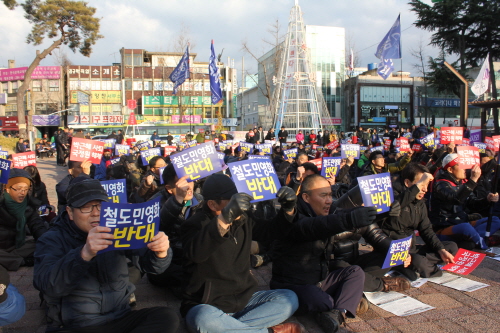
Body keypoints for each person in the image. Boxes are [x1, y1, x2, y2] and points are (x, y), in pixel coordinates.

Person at [33, 178, 179, 332]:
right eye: (86, 207)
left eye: (101, 206)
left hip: (120, 317)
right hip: (78, 324)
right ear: (70, 212)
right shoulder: (52, 239)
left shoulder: (118, 228)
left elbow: (151, 267)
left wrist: (161, 252)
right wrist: (84, 253)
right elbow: (49, 286)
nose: (96, 213)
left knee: (166, 316)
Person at [181, 174, 304, 333]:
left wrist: (288, 210)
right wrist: (225, 219)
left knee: (289, 299)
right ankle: (268, 331)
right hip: (207, 305)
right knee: (202, 320)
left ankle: (231, 328)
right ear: (212, 204)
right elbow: (196, 253)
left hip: (243, 299)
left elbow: (269, 232)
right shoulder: (194, 224)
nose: (240, 204)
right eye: (232, 200)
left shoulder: (243, 218)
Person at [270, 174, 380, 332]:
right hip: (291, 286)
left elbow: (341, 214)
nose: (329, 200)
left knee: (355, 272)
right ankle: (340, 307)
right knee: (323, 300)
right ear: (306, 197)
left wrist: (373, 211)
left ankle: (337, 314)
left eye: (330, 194)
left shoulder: (325, 211)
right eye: (323, 195)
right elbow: (315, 226)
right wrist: (350, 220)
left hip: (319, 279)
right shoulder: (291, 218)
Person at [379, 163, 457, 280]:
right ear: (407, 183)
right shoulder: (392, 198)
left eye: (426, 184)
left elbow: (426, 230)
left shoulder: (419, 203)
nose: (425, 189)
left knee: (451, 247)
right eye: (421, 184)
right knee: (419, 261)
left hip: (412, 249)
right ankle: (422, 266)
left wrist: (440, 250)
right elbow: (395, 206)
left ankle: (420, 263)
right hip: (393, 251)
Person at [147, 164, 203, 294]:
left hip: (192, 255)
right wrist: (177, 200)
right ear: (169, 188)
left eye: (190, 181)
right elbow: (159, 225)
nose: (189, 187)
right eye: (181, 183)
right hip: (169, 259)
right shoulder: (155, 202)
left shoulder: (200, 200)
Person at [430, 154, 500, 249]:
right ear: (450, 170)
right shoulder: (440, 184)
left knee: (495, 220)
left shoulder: (462, 183)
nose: (465, 169)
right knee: (465, 227)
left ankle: (473, 238)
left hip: (462, 221)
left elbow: (473, 204)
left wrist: (487, 199)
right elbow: (456, 199)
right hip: (445, 226)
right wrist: (473, 180)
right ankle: (481, 243)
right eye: (461, 166)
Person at [0, 169, 48, 271]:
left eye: (26, 189)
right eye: (19, 189)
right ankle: (22, 261)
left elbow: (37, 227)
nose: (23, 193)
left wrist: (48, 243)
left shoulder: (28, 206)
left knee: (46, 241)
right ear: (7, 189)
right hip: (1, 249)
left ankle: (12, 260)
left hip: (17, 247)